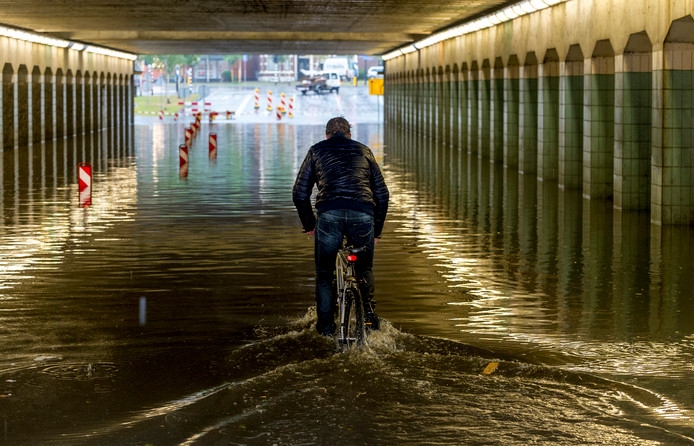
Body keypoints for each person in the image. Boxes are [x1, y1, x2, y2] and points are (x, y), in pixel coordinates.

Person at [292, 117, 389, 336]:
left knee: (325, 275)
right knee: (364, 269)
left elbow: (299, 194)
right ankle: (371, 321)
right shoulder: (364, 151)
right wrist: (377, 231)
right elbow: (382, 194)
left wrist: (310, 225)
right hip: (362, 216)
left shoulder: (316, 151)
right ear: (349, 134)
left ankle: (326, 330)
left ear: (327, 134)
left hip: (330, 216)